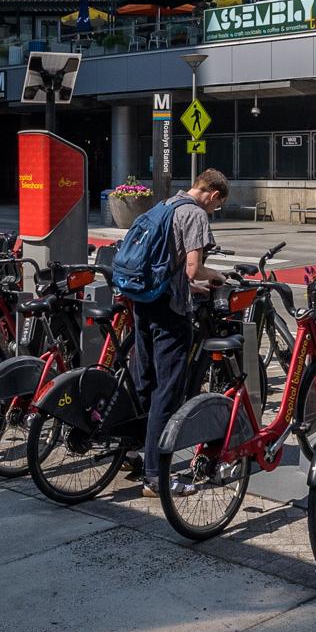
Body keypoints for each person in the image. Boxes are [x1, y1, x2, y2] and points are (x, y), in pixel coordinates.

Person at [132, 170, 226, 496]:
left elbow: (169, 265)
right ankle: (155, 477)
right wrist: (217, 277)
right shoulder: (195, 214)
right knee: (167, 390)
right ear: (213, 194)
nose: (214, 212)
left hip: (143, 300)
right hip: (169, 310)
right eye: (217, 206)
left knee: (144, 379)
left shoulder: (167, 204)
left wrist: (192, 287)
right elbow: (193, 268)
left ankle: (135, 452)